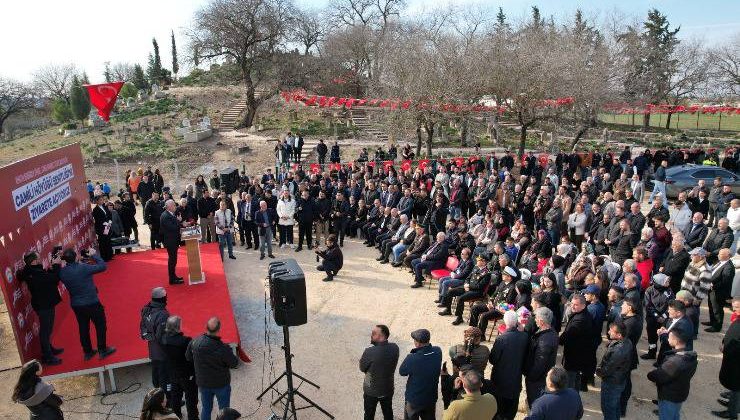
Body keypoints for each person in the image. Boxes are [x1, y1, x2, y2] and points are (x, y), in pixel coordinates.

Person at [59, 247, 116, 360]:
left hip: (76, 305)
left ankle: (88, 352)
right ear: (75, 257)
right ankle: (102, 350)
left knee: (83, 328)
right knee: (100, 325)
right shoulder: (83, 268)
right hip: (92, 302)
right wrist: (94, 255)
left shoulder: (62, 272)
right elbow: (103, 266)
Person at [186, 317, 239, 420]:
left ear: (206, 327)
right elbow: (234, 363)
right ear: (219, 330)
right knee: (224, 411)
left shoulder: (195, 342)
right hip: (221, 384)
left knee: (206, 408)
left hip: (203, 383)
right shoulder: (223, 348)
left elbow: (188, 357)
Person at [20, 251, 64, 365]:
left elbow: (47, 278)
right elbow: (54, 279)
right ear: (34, 261)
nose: (40, 259)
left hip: (45, 303)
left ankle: (49, 349)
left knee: (48, 329)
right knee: (45, 330)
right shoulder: (35, 273)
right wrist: (56, 265)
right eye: (38, 258)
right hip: (44, 305)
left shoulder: (33, 271)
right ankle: (48, 356)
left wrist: (50, 269)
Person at [647, 329, 698, 420]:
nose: (668, 340)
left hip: (669, 396)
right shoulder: (691, 356)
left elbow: (659, 376)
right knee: (675, 415)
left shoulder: (674, 362)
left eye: (669, 338)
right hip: (680, 392)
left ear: (676, 341)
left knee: (666, 416)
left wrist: (651, 374)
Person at [489, 310, 529, 420]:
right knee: (511, 411)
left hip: (500, 381)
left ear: (505, 322)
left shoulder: (501, 339)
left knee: (499, 410)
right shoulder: (525, 337)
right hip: (515, 380)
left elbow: (492, 359)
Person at [399, 329, 442, 420]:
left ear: (417, 343)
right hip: (430, 398)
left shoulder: (412, 358)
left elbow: (402, 371)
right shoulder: (438, 351)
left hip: (414, 400)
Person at [359, 324, 400, 420]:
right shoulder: (395, 348)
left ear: (381, 336)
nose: (371, 335)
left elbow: (362, 368)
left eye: (374, 333)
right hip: (387, 388)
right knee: (388, 412)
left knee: (369, 415)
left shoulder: (369, 351)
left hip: (371, 390)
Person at [162, 316, 199, 420]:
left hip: (172, 373)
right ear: (178, 326)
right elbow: (192, 357)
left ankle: (176, 416)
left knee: (175, 397)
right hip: (187, 375)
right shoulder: (186, 341)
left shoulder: (164, 339)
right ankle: (193, 418)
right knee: (191, 398)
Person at [596, 322, 633, 420]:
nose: (608, 332)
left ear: (619, 335)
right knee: (615, 406)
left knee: (608, 408)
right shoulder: (626, 341)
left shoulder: (619, 350)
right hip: (619, 380)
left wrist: (598, 372)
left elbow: (608, 368)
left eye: (611, 331)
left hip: (612, 383)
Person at [524, 307, 559, 407]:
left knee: (535, 403)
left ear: (541, 321)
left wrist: (530, 377)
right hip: (541, 377)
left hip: (537, 380)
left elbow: (540, 364)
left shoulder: (545, 341)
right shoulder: (550, 332)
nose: (534, 320)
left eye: (536, 318)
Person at [712, 298, 740, 419]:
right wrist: (724, 342)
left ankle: (732, 413)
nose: (734, 310)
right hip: (732, 358)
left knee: (736, 386)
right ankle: (734, 404)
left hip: (737, 360)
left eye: (737, 307)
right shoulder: (737, 318)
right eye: (733, 307)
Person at [559, 293, 592, 393]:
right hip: (579, 355)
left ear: (583, 305)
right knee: (575, 380)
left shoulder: (580, 320)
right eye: (572, 304)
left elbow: (567, 335)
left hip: (574, 356)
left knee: (570, 382)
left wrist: (558, 339)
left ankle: (570, 402)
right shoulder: (582, 314)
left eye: (576, 305)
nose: (572, 306)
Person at [140, 287, 170, 389]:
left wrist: (149, 337)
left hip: (152, 349)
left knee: (156, 372)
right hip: (162, 351)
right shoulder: (163, 314)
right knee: (165, 376)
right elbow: (161, 336)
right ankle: (168, 399)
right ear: (162, 298)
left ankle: (157, 393)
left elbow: (143, 328)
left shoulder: (146, 309)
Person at [705, 248, 735, 332]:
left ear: (727, 256)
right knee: (711, 306)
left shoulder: (728, 267)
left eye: (720, 254)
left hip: (718, 292)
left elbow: (725, 281)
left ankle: (717, 326)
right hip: (712, 289)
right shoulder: (720, 262)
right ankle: (712, 321)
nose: (718, 255)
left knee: (717, 309)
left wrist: (713, 285)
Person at [161, 199, 184, 284]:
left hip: (173, 240)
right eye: (174, 205)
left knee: (173, 260)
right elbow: (172, 227)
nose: (175, 206)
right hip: (170, 241)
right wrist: (179, 221)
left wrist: (181, 223)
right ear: (169, 206)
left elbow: (175, 225)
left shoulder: (170, 214)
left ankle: (174, 276)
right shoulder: (165, 216)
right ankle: (172, 279)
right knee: (172, 260)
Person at [92, 194, 114, 261]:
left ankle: (109, 256)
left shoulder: (105, 206)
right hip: (101, 228)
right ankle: (104, 257)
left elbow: (109, 214)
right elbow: (97, 219)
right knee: (102, 242)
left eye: (102, 200)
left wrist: (109, 222)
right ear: (97, 201)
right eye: (100, 200)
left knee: (108, 241)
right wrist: (104, 223)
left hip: (108, 226)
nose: (102, 201)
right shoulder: (95, 209)